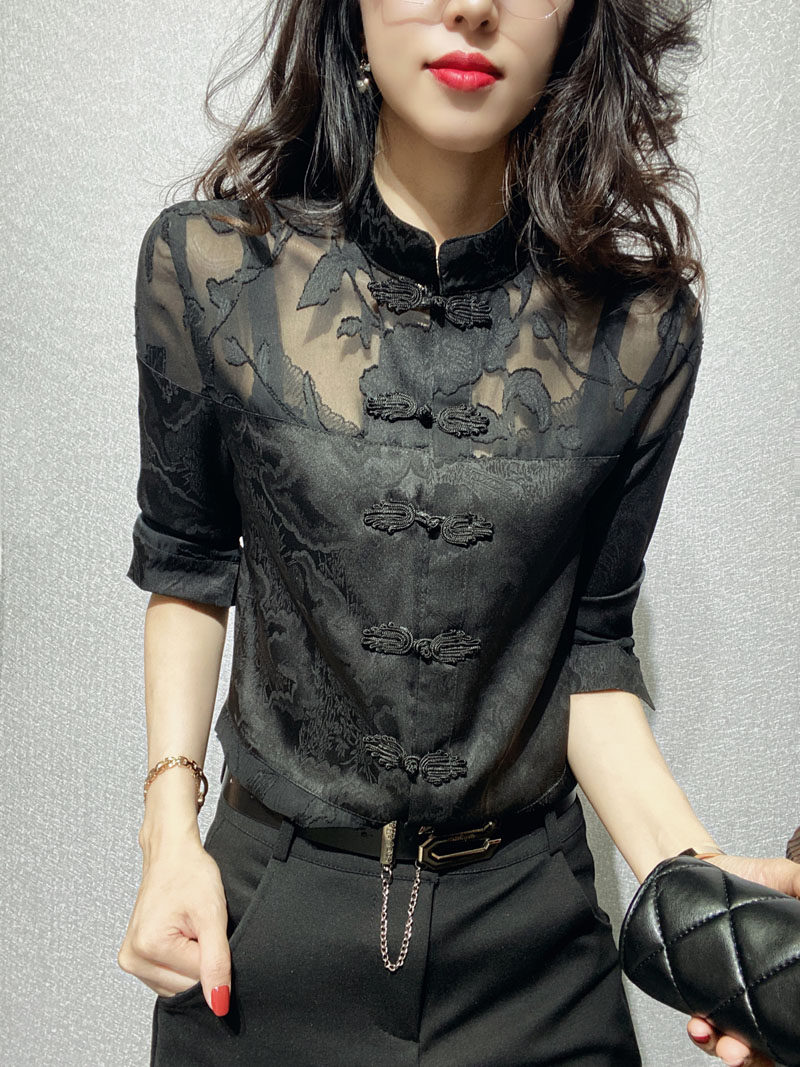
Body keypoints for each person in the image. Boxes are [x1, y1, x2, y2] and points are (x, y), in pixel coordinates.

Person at [117, 1, 800, 1064]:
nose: (474, 6)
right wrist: (169, 830)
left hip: (533, 945)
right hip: (267, 929)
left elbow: (587, 647)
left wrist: (703, 904)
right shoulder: (210, 269)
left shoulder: (640, 328)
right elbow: (190, 561)